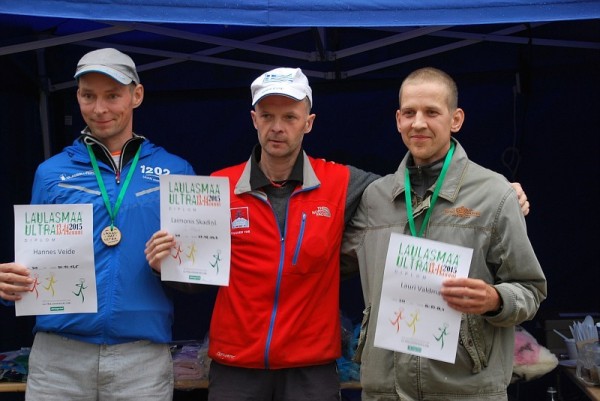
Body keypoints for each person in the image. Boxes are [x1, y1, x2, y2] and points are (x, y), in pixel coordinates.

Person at [144, 67, 532, 401]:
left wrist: (498, 193)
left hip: (311, 369)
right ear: (254, 119)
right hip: (236, 368)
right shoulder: (218, 186)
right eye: (267, 115)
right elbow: (196, 280)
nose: (278, 127)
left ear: (308, 122)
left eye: (290, 117)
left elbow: (413, 189)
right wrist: (166, 264)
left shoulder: (343, 183)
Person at [341, 67, 547, 401]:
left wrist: (495, 300)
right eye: (409, 112)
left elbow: (531, 290)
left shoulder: (494, 194)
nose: (418, 123)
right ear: (397, 119)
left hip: (467, 390)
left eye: (431, 112)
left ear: (456, 119)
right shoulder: (375, 198)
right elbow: (329, 261)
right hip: (386, 391)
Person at [0, 48, 195, 401]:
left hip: (141, 359)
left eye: (112, 95)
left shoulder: (175, 171)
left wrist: (166, 266)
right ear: (77, 97)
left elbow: (196, 277)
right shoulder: (51, 174)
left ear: (136, 95)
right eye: (89, 96)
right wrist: (10, 285)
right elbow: (31, 266)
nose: (100, 109)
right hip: (59, 358)